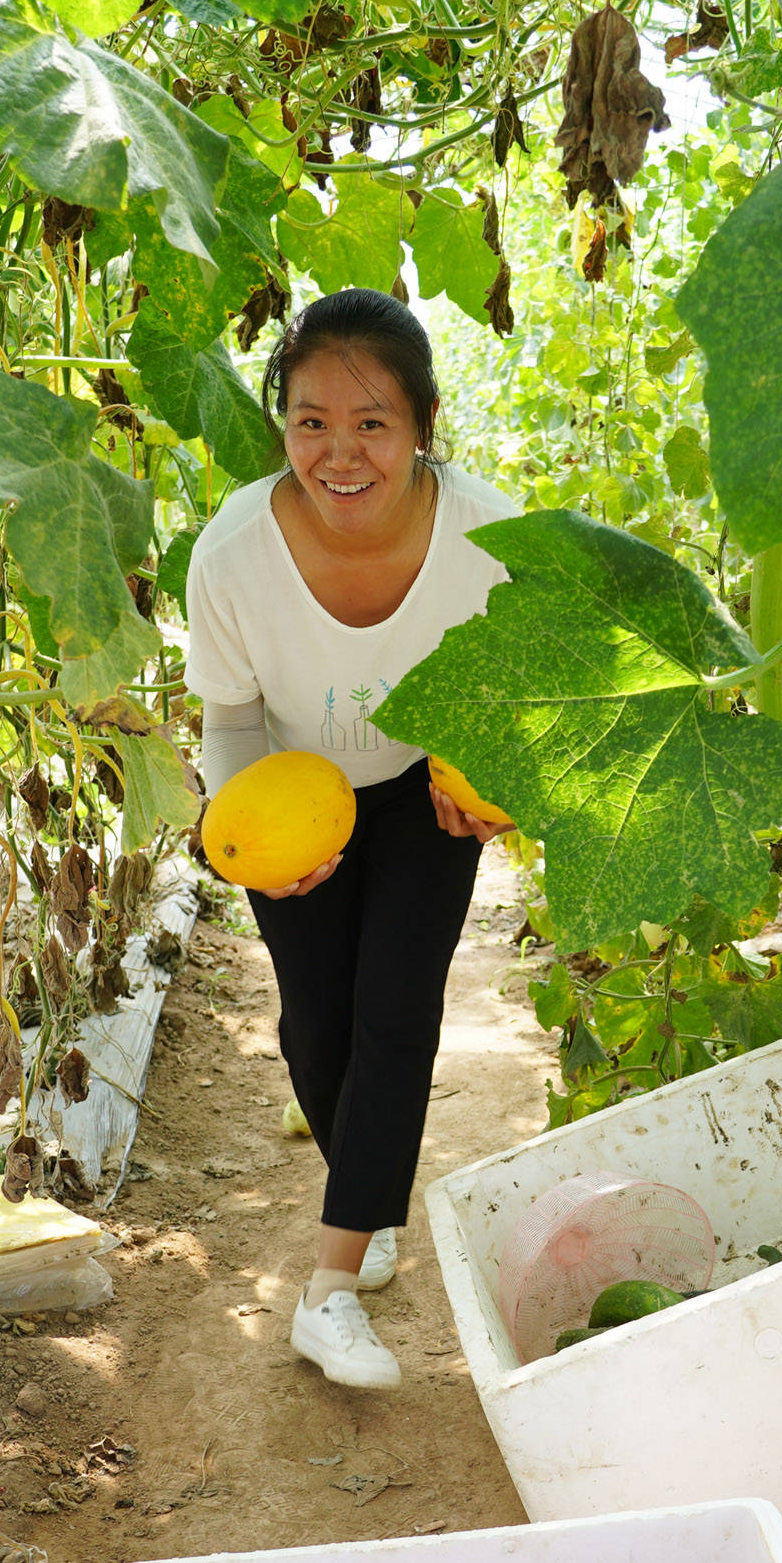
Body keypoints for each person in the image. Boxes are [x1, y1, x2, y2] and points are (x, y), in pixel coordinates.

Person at [182, 289, 517, 1390]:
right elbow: (230, 716)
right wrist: (240, 829)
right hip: (291, 794)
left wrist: (502, 782)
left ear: (423, 424)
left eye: (371, 422)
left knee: (395, 1013)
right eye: (310, 420)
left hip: (430, 784)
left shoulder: (490, 536)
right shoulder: (233, 553)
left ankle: (327, 1292)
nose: (339, 450)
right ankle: (363, 1199)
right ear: (282, 425)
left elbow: (534, 689)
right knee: (315, 1028)